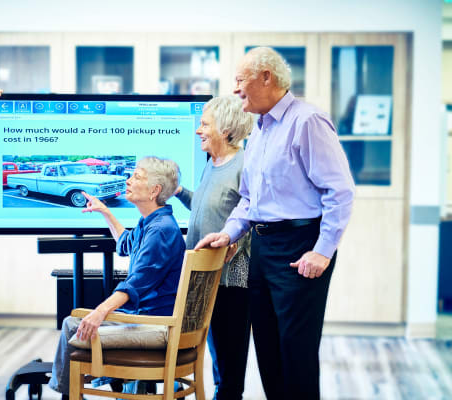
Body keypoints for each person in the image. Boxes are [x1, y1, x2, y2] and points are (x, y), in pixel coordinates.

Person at [195, 47, 355, 399]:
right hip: (263, 249)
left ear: (266, 77)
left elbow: (340, 190)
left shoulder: (307, 122)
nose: (235, 90)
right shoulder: (261, 132)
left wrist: (323, 251)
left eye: (240, 80)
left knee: (294, 353)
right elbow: (250, 199)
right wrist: (228, 232)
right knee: (268, 352)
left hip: (300, 247)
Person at [49, 156, 185, 400]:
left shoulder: (161, 230)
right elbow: (125, 244)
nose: (128, 180)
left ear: (154, 190)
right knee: (76, 323)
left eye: (137, 177)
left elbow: (135, 285)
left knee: (72, 325)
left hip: (155, 326)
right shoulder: (153, 221)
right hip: (147, 320)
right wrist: (105, 212)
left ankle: (70, 394)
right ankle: (94, 385)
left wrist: (99, 312)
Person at [174, 95, 254, 400]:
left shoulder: (244, 164)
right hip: (203, 278)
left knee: (229, 366)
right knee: (216, 358)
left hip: (231, 280)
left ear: (226, 129)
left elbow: (251, 214)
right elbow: (208, 208)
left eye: (204, 124)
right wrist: (179, 192)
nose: (198, 130)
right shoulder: (213, 163)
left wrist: (236, 239)